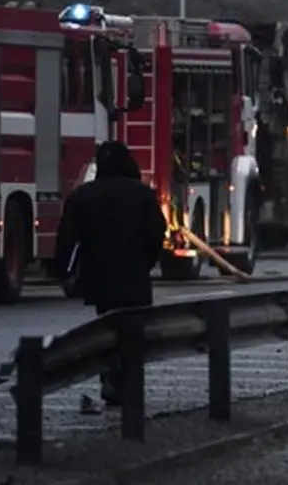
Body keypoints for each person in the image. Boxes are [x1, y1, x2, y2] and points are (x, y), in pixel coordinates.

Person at [54, 141, 166, 406]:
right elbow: (156, 235)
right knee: (133, 336)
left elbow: (66, 241)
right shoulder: (142, 195)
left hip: (99, 279)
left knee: (107, 332)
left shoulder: (82, 196)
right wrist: (146, 262)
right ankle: (127, 387)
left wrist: (65, 276)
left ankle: (110, 380)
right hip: (135, 279)